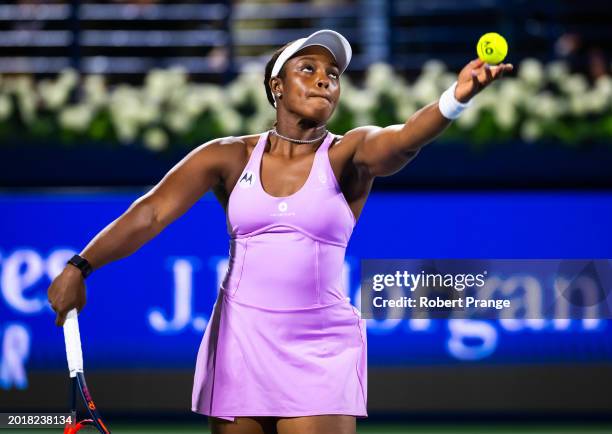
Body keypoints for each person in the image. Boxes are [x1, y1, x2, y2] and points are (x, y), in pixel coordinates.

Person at [47, 29, 512, 434]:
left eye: (333, 74)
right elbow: (150, 213)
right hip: (239, 343)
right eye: (307, 68)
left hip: (320, 347)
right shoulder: (227, 156)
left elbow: (404, 140)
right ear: (277, 86)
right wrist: (80, 265)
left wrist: (457, 97)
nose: (324, 78)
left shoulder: (348, 153)